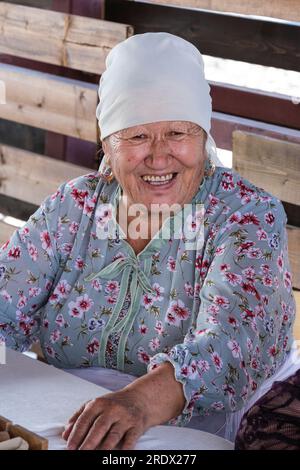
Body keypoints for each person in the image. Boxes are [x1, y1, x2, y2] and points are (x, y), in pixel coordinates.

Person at [0, 32, 297, 451]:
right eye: (137, 136)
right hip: (67, 415)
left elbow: (232, 346)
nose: (159, 157)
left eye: (178, 133)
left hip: (196, 428)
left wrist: (139, 402)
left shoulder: (244, 215)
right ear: (107, 142)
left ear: (204, 137)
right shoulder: (75, 207)